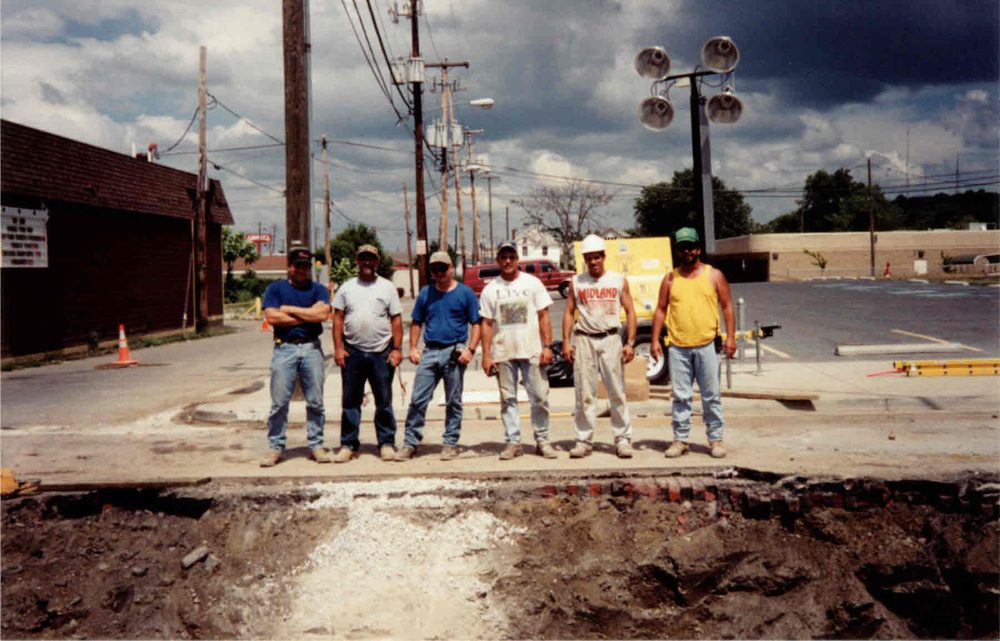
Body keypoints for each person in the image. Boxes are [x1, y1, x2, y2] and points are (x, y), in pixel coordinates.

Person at [650, 227, 736, 459]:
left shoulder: (714, 275)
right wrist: (654, 340)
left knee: (711, 395)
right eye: (682, 247)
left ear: (698, 248)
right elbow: (660, 309)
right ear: (677, 251)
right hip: (678, 346)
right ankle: (680, 439)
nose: (686, 251)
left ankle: (716, 439)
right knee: (680, 396)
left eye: (690, 246)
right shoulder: (670, 279)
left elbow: (727, 307)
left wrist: (731, 337)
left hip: (707, 344)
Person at [395, 251, 481, 462]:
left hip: (455, 350)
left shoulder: (465, 293)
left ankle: (450, 443)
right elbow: (417, 322)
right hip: (430, 351)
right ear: (431, 271)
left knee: (453, 400)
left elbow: (476, 323)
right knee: (417, 399)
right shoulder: (426, 293)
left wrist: (470, 349)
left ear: (451, 268)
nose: (439, 273)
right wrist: (413, 347)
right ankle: (410, 443)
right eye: (435, 269)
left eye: (443, 268)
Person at [480, 241, 558, 460]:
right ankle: (513, 442)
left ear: (517, 259)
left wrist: (547, 346)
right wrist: (486, 355)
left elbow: (544, 315)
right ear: (497, 260)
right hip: (504, 352)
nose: (507, 261)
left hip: (532, 350)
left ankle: (542, 440)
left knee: (540, 398)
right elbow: (486, 323)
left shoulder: (533, 284)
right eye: (503, 257)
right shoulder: (490, 289)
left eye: (511, 257)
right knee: (508, 399)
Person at [561, 234, 637, 459]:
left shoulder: (617, 280)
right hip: (584, 338)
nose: (593, 262)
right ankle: (584, 440)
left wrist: (630, 342)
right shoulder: (577, 282)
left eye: (597, 257)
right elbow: (568, 311)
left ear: (604, 257)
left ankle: (622, 438)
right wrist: (566, 341)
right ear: (585, 259)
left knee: (616, 390)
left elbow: (630, 311)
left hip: (611, 338)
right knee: (584, 392)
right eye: (589, 258)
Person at [259, 246, 333, 467]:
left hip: (311, 349)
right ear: (289, 267)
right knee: (279, 402)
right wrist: (308, 315)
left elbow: (323, 314)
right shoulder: (275, 289)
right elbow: (272, 317)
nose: (302, 270)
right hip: (285, 349)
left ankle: (316, 446)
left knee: (316, 401)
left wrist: (289, 309)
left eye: (305, 266)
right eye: (297, 266)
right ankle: (275, 447)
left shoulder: (319, 289)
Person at [331, 244, 404, 463]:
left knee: (383, 401)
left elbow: (396, 319)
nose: (367, 263)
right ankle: (348, 444)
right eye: (363, 258)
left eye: (371, 259)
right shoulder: (347, 287)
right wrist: (338, 348)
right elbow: (338, 318)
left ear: (377, 262)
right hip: (352, 353)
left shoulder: (387, 287)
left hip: (381, 353)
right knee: (350, 401)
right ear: (357, 261)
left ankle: (386, 443)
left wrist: (398, 349)